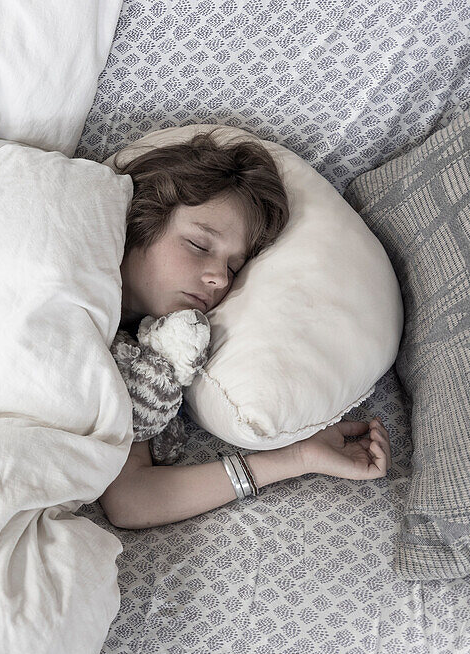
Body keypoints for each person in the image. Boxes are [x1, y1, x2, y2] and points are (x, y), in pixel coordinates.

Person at [100, 131, 390, 530]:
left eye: (234, 267)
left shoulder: (146, 366)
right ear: (140, 220)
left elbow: (132, 500)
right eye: (200, 246)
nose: (219, 277)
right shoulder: (67, 262)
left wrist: (297, 458)